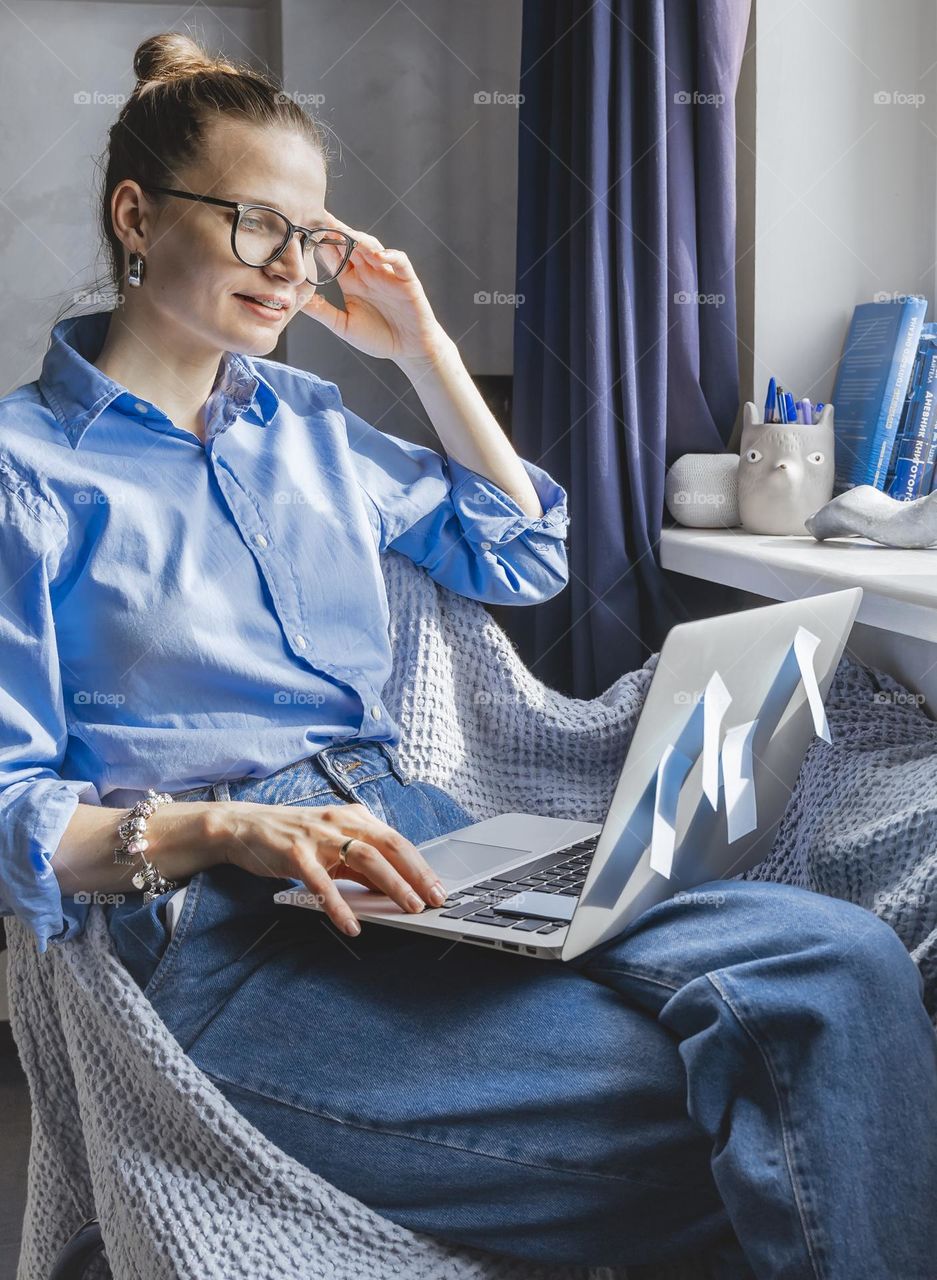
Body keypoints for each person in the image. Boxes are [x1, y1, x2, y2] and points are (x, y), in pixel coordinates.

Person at [0, 31, 934, 1280]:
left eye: (315, 237)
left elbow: (523, 549)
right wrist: (221, 827)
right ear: (137, 214)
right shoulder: (26, 473)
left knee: (839, 956)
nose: (293, 269)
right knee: (790, 1085)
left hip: (423, 844)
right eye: (256, 226)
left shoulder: (310, 428)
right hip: (221, 936)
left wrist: (422, 347)